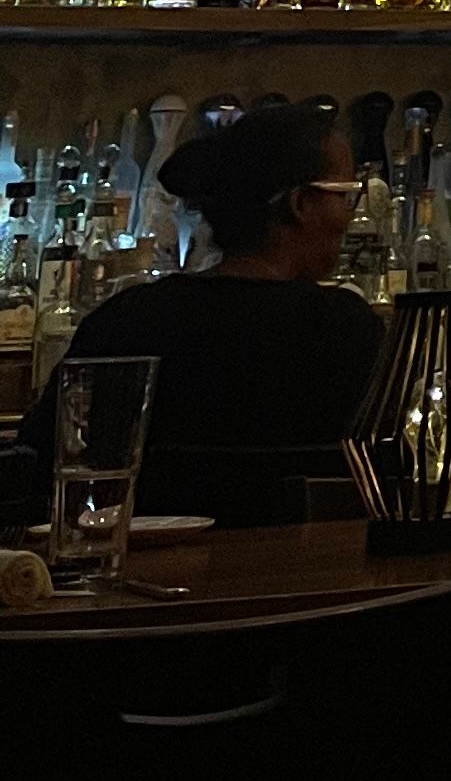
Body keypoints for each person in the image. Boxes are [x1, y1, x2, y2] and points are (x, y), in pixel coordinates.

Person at [15, 99, 380, 501]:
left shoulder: (128, 320)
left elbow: (34, 467)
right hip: (316, 544)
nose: (350, 215)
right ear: (301, 204)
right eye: (346, 196)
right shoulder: (350, 330)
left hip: (145, 543)